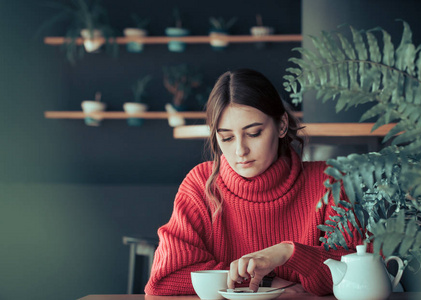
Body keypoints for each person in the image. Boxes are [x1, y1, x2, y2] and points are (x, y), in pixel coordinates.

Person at [145, 69, 365, 296]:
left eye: (254, 133)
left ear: (281, 125)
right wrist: (267, 284)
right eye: (227, 138)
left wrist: (289, 253)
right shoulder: (200, 185)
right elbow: (165, 278)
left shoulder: (328, 182)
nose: (240, 150)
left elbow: (358, 273)